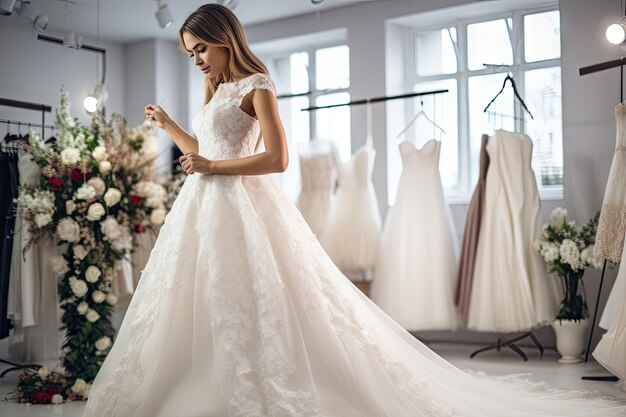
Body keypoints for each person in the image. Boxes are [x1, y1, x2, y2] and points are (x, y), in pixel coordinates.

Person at [83, 4, 626, 417]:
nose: (196, 58)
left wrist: (212, 170)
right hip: (205, 207)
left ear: (225, 40)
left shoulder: (257, 86)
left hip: (241, 202)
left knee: (262, 298)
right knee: (201, 296)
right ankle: (198, 386)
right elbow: (203, 151)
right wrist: (171, 125)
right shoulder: (216, 93)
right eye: (189, 53)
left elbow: (276, 159)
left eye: (200, 48)